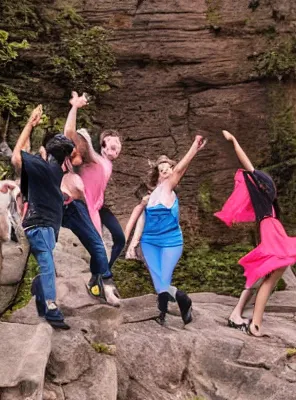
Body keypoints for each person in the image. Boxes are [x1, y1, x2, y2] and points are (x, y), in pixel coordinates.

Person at [215, 130, 296, 337]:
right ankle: (254, 323)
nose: (271, 186)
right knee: (271, 275)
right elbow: (249, 166)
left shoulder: (270, 207)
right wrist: (235, 141)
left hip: (273, 229)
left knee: (265, 275)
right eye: (268, 184)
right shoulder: (264, 200)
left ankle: (238, 315)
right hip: (271, 230)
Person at [11, 105, 80, 329]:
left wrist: (31, 125)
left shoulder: (52, 170)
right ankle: (51, 307)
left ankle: (41, 300)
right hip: (38, 225)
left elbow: (21, 153)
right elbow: (16, 156)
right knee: (48, 265)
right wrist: (30, 125)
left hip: (45, 226)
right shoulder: (46, 168)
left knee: (46, 264)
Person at [124, 138, 206, 325]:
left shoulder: (169, 189)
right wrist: (134, 243)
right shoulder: (151, 196)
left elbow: (179, 169)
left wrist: (194, 147)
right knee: (158, 278)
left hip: (170, 240)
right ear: (157, 176)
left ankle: (183, 301)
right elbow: (142, 220)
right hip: (150, 241)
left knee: (163, 277)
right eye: (162, 171)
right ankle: (163, 312)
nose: (166, 172)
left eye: (168, 169)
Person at [62, 93, 122, 304]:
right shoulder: (92, 160)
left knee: (113, 241)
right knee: (98, 246)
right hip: (84, 207)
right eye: (112, 147)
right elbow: (69, 133)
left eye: (118, 147)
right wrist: (75, 107)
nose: (116, 150)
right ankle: (102, 283)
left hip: (97, 207)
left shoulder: (107, 163)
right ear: (101, 146)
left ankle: (98, 278)